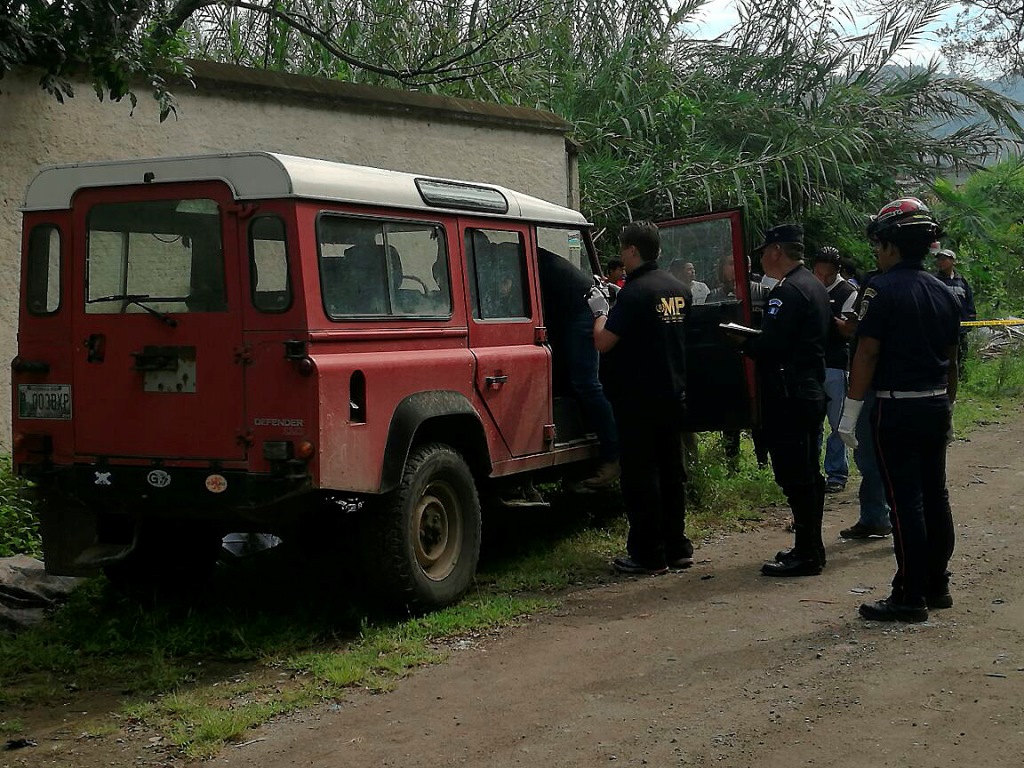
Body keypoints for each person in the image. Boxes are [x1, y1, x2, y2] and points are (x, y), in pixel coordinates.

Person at [839, 198, 961, 623]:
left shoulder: (880, 289)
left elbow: (867, 352)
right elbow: (952, 358)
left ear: (892, 245)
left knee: (905, 500)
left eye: (878, 245)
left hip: (896, 409)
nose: (876, 253)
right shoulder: (944, 291)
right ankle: (937, 583)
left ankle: (909, 594)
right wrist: (949, 403)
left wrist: (850, 410)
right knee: (936, 495)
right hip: (934, 404)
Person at [725, 224, 830, 577]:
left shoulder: (786, 292)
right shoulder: (813, 284)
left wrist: (744, 343)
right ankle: (809, 547)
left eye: (763, 252)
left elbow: (773, 345)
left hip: (790, 392)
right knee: (807, 474)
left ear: (775, 252)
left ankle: (808, 554)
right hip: (808, 387)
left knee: (797, 476)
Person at [589, 221, 693, 575]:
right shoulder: (678, 289)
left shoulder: (633, 293)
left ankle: (648, 553)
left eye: (622, 250)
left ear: (632, 250)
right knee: (671, 472)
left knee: (640, 476)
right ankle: (678, 547)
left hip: (638, 400)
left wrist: (600, 312)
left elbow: (604, 341)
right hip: (673, 394)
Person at [537, 248, 620, 488]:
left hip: (582, 311)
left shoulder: (509, 260)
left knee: (586, 383)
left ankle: (613, 455)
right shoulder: (514, 253)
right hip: (569, 308)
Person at [835, 268, 893, 540]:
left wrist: (853, 405)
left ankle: (883, 517)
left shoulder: (876, 288)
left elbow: (866, 346)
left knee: (872, 455)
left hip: (874, 386)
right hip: (916, 390)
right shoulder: (931, 289)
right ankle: (877, 517)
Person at [812, 246, 858, 494]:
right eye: (818, 273)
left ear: (837, 272)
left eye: (827, 275)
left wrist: (825, 314)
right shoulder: (808, 287)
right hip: (812, 363)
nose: (822, 279)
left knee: (837, 422)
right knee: (813, 421)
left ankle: (836, 472)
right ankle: (812, 470)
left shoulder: (848, 292)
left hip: (836, 364)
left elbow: (847, 329)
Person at [934, 248, 976, 379]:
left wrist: (969, 322)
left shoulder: (961, 282)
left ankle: (962, 379)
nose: (941, 262)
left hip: (960, 328)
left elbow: (969, 303)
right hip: (939, 327)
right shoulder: (934, 281)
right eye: (939, 260)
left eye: (944, 259)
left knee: (961, 354)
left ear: (953, 261)